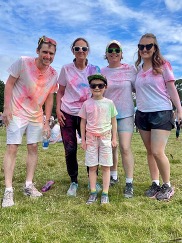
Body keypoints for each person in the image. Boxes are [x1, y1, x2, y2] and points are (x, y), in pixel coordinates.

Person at [1, 36, 58, 207]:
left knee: (33, 148)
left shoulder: (54, 74)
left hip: (36, 115)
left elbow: (49, 98)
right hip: (17, 112)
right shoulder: (23, 62)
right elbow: (9, 83)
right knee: (12, 147)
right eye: (45, 52)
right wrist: (6, 108)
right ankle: (8, 190)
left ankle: (28, 185)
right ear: (37, 51)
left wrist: (47, 122)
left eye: (51, 53)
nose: (48, 56)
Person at [134, 33, 182, 201]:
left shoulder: (163, 65)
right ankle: (154, 183)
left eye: (148, 46)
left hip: (161, 112)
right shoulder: (138, 70)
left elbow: (172, 89)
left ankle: (167, 185)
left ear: (155, 48)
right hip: (142, 113)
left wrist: (179, 110)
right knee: (149, 151)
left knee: (157, 151)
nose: (145, 49)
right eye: (141, 46)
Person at [56, 37, 100, 197]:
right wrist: (58, 110)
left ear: (88, 50)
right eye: (77, 48)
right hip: (67, 113)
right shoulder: (66, 69)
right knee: (70, 148)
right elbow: (60, 91)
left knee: (91, 147)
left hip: (87, 115)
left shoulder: (95, 69)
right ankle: (73, 181)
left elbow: (100, 90)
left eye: (84, 48)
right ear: (72, 51)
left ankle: (92, 179)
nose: (81, 51)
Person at [101, 40, 136, 198]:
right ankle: (113, 176)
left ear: (121, 54)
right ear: (106, 54)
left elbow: (138, 87)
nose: (114, 52)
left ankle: (129, 182)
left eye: (117, 50)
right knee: (111, 147)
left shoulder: (130, 69)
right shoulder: (102, 71)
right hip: (107, 115)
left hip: (126, 114)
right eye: (111, 50)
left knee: (124, 147)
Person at [79, 74, 117, 204]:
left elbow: (114, 121)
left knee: (106, 166)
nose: (97, 88)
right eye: (93, 85)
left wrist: (114, 138)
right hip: (90, 139)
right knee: (92, 166)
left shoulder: (109, 103)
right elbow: (82, 123)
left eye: (100, 85)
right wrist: (83, 140)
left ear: (105, 87)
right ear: (90, 87)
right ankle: (93, 192)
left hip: (106, 138)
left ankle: (105, 193)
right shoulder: (86, 104)